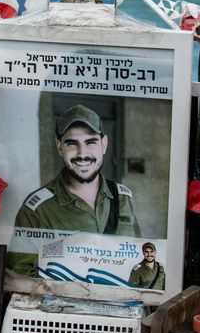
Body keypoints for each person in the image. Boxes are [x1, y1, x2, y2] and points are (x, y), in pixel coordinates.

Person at [10, 105, 138, 256]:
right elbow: (19, 275)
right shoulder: (38, 210)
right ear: (59, 147)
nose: (82, 154)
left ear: (103, 145)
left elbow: (136, 257)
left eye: (91, 142)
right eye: (72, 143)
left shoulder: (122, 198)